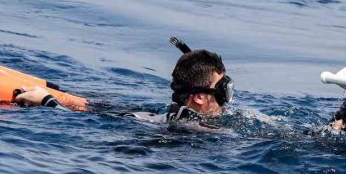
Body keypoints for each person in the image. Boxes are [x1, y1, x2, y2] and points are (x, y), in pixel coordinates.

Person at [16, 39, 234, 133]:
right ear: (199, 96)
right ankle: (57, 99)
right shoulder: (194, 127)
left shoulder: (165, 116)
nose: (227, 99)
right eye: (223, 89)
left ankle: (70, 101)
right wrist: (48, 102)